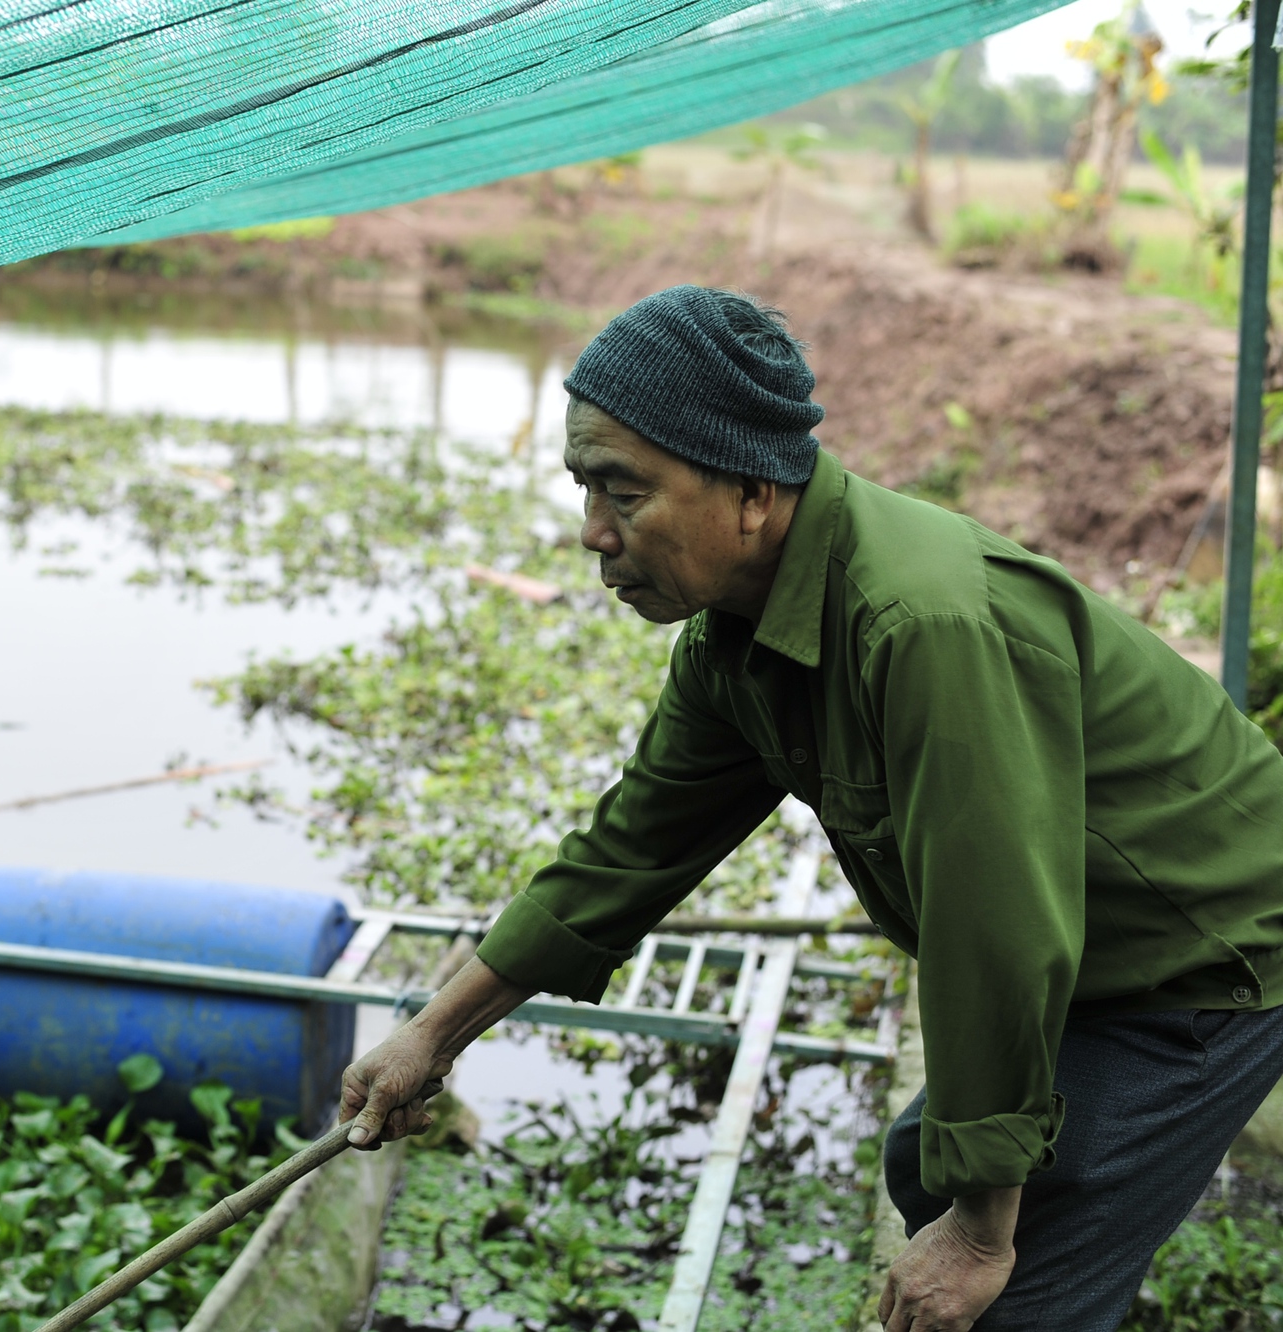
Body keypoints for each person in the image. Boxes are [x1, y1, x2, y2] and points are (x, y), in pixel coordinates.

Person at [338, 285, 1283, 1332]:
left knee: (1009, 1288)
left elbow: (994, 930)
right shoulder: (733, 641)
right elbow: (624, 852)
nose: (591, 535)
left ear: (750, 489)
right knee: (922, 1164)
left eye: (624, 493)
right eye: (582, 489)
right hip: (1090, 935)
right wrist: (432, 1033)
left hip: (1202, 952)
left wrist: (980, 1235)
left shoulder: (919, 627)